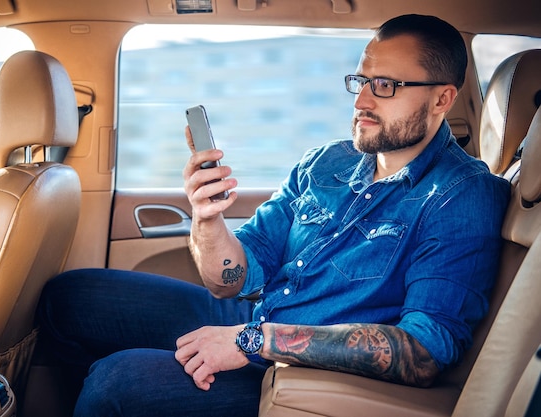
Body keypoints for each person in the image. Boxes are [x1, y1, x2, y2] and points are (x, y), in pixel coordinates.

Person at [36, 14, 511, 417]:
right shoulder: (326, 162)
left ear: (443, 99)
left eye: (385, 85)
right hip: (253, 319)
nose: (362, 100)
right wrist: (207, 220)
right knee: (68, 297)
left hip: (299, 371)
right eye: (361, 81)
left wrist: (252, 343)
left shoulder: (462, 197)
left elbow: (424, 351)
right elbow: (234, 278)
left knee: (115, 381)